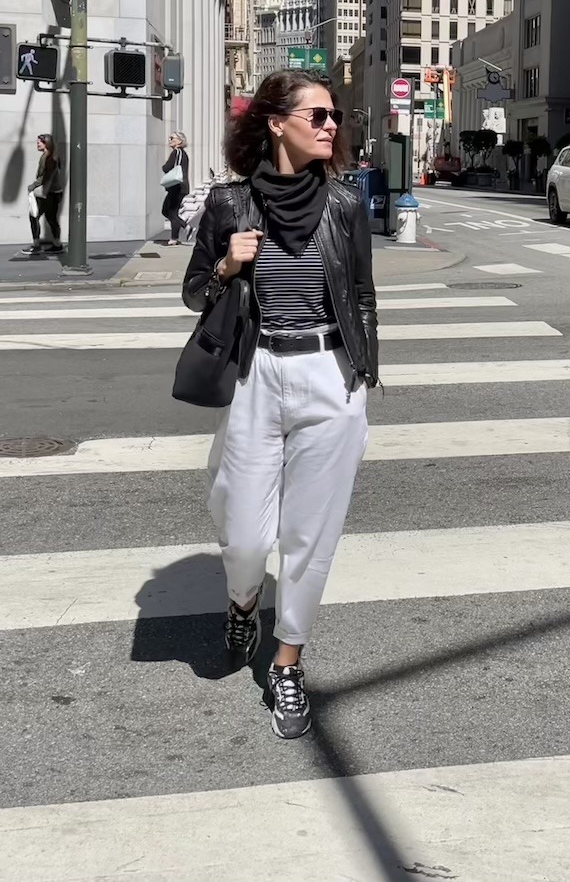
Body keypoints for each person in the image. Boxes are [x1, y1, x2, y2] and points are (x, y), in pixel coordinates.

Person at [183, 70, 378, 740]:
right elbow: (194, 293)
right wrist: (226, 266)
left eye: (334, 116)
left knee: (310, 534)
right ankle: (244, 600)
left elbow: (362, 293)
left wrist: (362, 372)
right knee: (242, 530)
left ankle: (288, 660)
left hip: (329, 373)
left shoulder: (345, 203)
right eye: (317, 115)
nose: (331, 125)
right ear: (276, 122)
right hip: (256, 370)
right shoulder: (229, 203)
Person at [25, 134, 64, 253]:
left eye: (39, 142)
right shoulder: (49, 156)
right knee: (50, 218)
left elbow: (45, 176)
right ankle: (56, 244)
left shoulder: (49, 158)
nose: (37, 144)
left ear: (46, 143)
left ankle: (37, 245)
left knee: (35, 216)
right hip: (52, 192)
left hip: (49, 193)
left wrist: (33, 185)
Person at [161, 132, 189, 245]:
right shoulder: (180, 153)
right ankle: (178, 234)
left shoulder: (177, 152)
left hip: (177, 187)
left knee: (171, 212)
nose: (170, 140)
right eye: (169, 138)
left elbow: (169, 167)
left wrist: (165, 166)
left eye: (172, 138)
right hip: (178, 187)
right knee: (167, 211)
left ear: (180, 141)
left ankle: (178, 234)